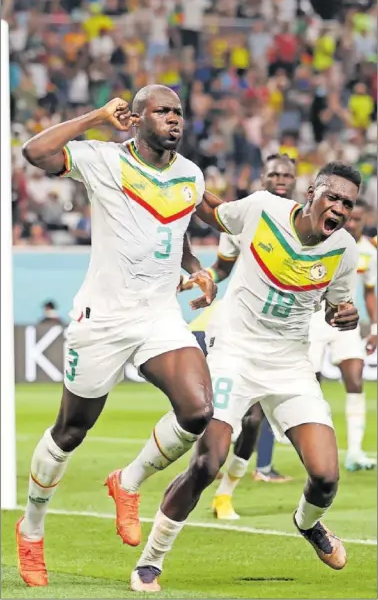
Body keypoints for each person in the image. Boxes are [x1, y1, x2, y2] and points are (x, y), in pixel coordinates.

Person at [16, 86, 218, 588]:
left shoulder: (190, 174)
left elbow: (176, 228)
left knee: (197, 411)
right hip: (101, 318)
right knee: (70, 431)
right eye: (164, 111)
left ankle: (127, 482)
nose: (175, 118)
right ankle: (32, 529)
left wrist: (195, 268)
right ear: (138, 116)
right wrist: (96, 118)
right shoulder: (103, 159)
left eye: (179, 111)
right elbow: (35, 152)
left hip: (157, 315)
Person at [129, 162, 361, 592]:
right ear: (312, 194)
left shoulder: (344, 249)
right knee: (206, 463)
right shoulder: (263, 210)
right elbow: (210, 209)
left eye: (348, 204)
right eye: (334, 197)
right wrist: (167, 175)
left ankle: (308, 525)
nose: (340, 208)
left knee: (326, 477)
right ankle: (151, 561)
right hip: (234, 352)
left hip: (291, 365)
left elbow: (336, 306)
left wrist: (345, 316)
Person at [183, 154, 297, 522]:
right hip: (234, 327)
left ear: (295, 181)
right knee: (229, 416)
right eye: (274, 173)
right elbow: (222, 267)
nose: (280, 179)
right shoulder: (246, 218)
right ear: (263, 178)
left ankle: (224, 493)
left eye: (286, 174)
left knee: (255, 420)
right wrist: (200, 279)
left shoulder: (306, 222)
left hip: (279, 334)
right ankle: (204, 479)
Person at [309, 199, 377, 471]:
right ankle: (305, 440)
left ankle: (355, 452)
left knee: (355, 378)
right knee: (308, 382)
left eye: (357, 219)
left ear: (365, 220)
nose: (351, 224)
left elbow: (369, 292)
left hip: (346, 323)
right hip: (315, 320)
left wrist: (374, 329)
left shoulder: (369, 252)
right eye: (348, 218)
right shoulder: (323, 243)